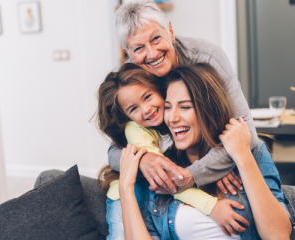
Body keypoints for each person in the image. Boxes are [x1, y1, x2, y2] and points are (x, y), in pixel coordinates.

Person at [118, 63, 292, 240]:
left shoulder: (252, 152)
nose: (172, 118)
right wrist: (125, 188)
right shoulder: (164, 168)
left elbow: (278, 235)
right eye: (168, 107)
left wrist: (242, 156)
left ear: (208, 109)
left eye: (185, 107)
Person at [108, 0, 256, 196]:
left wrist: (196, 172)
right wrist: (144, 160)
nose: (152, 54)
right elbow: (114, 152)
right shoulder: (131, 80)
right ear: (129, 54)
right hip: (174, 168)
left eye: (155, 39)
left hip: (217, 164)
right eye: (138, 48)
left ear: (170, 30)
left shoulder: (208, 58)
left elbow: (247, 135)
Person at [97, 63, 248, 239]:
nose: (146, 110)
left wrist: (217, 168)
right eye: (133, 109)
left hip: (156, 194)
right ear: (126, 116)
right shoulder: (136, 130)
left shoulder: (174, 120)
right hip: (126, 195)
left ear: (159, 90)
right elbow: (167, 179)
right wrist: (211, 206)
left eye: (147, 97)